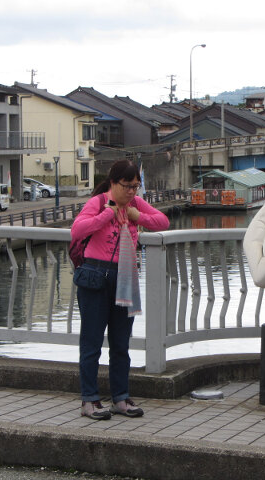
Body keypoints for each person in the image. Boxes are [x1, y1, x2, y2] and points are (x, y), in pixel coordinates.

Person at [71, 160, 169, 420]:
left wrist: (137, 216)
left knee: (120, 344)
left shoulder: (135, 204)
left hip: (125, 276)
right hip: (95, 275)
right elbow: (77, 230)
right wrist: (108, 214)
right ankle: (90, 400)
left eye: (136, 187)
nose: (132, 192)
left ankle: (120, 398)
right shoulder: (99, 202)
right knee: (91, 343)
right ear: (113, 183)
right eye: (127, 186)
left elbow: (162, 222)